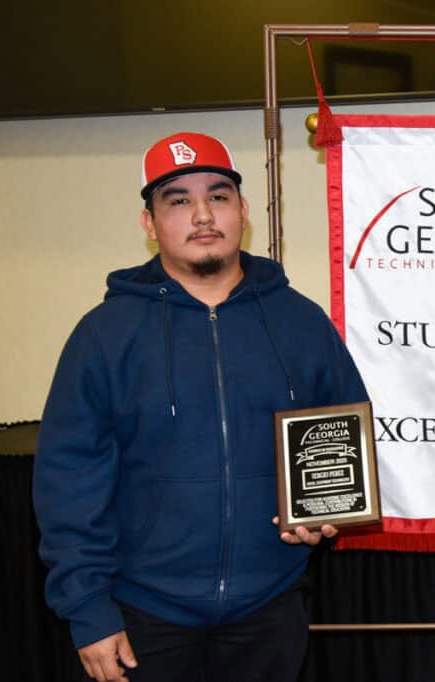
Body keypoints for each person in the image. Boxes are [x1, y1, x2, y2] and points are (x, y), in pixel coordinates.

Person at [34, 131, 368, 682]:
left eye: (217, 196)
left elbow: (342, 443)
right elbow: (68, 484)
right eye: (179, 200)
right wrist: (87, 609)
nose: (202, 215)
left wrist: (325, 515)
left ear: (242, 211)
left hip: (270, 609)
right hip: (143, 617)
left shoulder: (301, 324)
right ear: (150, 223)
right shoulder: (103, 336)